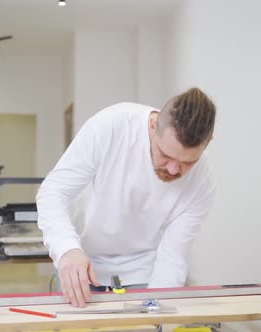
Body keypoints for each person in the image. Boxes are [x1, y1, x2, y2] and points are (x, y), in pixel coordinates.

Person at [36, 87, 216, 307]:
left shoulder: (202, 181)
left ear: (208, 142)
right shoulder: (111, 126)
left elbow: (173, 254)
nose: (172, 169)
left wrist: (155, 309)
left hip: (144, 271)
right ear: (153, 125)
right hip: (82, 262)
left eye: (187, 162)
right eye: (165, 155)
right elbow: (53, 191)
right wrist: (67, 249)